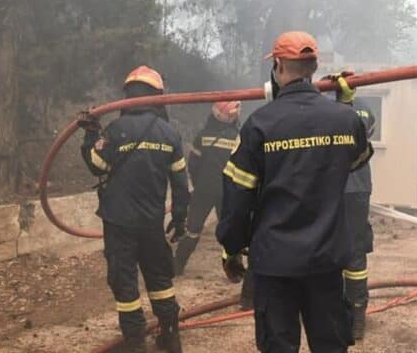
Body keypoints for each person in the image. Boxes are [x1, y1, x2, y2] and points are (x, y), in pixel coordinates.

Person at [216, 31, 373, 353]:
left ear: (277, 66)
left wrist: (231, 247)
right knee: (330, 346)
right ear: (314, 68)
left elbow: (237, 196)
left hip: (275, 264)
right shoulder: (344, 119)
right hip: (326, 262)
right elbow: (356, 159)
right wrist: (344, 105)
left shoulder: (260, 124)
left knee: (278, 347)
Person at [78, 65, 190, 353]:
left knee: (125, 282)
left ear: (128, 94)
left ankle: (135, 342)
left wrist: (91, 134)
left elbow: (96, 165)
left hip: (119, 223)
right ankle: (170, 336)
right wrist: (179, 219)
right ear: (158, 96)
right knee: (159, 278)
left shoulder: (116, 130)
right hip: (152, 222)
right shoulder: (170, 134)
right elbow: (180, 183)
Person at [324, 73, 377, 340]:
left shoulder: (326, 109)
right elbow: (366, 136)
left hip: (332, 187)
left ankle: (341, 313)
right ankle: (356, 316)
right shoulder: (366, 109)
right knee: (355, 252)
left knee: (330, 248)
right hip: (358, 187)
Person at [174, 101, 241, 277]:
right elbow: (241, 167)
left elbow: (193, 165)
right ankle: (234, 272)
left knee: (192, 230)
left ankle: (176, 267)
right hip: (226, 193)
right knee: (230, 234)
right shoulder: (237, 138)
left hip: (203, 191)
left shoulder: (203, 136)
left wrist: (198, 185)